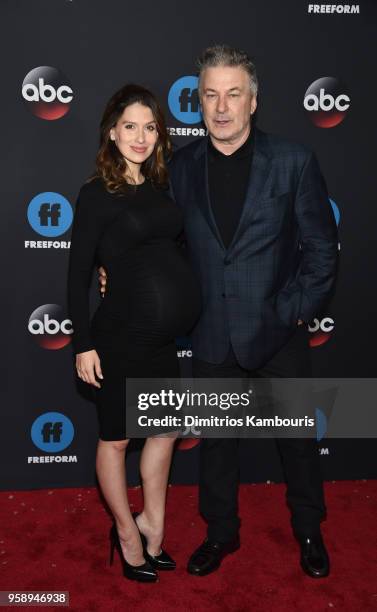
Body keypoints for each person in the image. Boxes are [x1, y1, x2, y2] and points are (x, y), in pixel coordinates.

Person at [99, 45, 338, 579]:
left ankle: (308, 530)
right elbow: (153, 237)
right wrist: (112, 267)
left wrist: (294, 313)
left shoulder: (293, 161)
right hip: (211, 334)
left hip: (278, 333)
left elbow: (323, 250)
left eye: (234, 94)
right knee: (218, 449)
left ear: (253, 101)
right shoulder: (178, 167)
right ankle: (220, 534)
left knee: (297, 443)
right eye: (211, 95)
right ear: (198, 101)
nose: (222, 106)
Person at [67, 84, 201, 582]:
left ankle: (154, 524)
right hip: (119, 338)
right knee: (118, 441)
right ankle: (126, 533)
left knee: (164, 431)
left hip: (161, 342)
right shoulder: (95, 194)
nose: (141, 137)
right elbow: (78, 273)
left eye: (150, 127)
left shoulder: (162, 188)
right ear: (112, 131)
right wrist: (82, 343)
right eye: (131, 126)